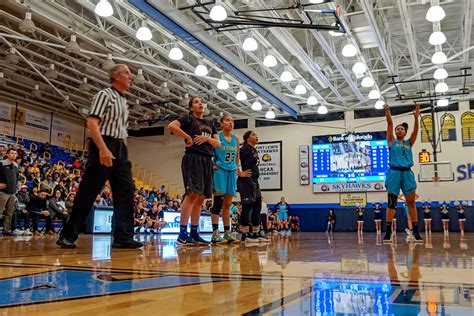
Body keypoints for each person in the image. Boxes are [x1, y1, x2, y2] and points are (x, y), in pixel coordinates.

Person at [57, 64, 143, 249]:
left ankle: (123, 236)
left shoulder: (123, 100)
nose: (131, 76)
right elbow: (92, 122)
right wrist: (103, 148)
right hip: (104, 144)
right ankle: (67, 235)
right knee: (88, 191)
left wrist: (124, 153)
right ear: (116, 76)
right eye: (127, 73)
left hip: (120, 147)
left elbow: (121, 130)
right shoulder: (105, 94)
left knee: (126, 193)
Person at [167, 96, 220, 246]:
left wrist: (207, 140)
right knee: (191, 195)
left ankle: (194, 233)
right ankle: (182, 234)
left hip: (207, 160)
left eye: (202, 101)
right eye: (197, 102)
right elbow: (171, 126)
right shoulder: (188, 119)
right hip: (193, 157)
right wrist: (187, 136)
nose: (200, 103)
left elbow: (217, 143)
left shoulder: (210, 123)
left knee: (201, 197)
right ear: (191, 107)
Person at [383, 104, 422, 243]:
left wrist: (416, 118)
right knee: (392, 203)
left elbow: (416, 131)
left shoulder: (409, 143)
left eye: (402, 129)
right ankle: (388, 232)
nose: (399, 130)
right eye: (397, 129)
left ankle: (416, 231)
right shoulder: (391, 141)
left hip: (407, 173)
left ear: (405, 132)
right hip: (394, 173)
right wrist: (388, 112)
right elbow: (389, 123)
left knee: (411, 202)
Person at [209, 115, 240, 244]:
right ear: (221, 124)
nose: (230, 122)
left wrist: (237, 168)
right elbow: (209, 151)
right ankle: (215, 232)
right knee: (218, 202)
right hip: (220, 170)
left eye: (232, 120)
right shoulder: (217, 137)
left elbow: (237, 156)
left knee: (227, 204)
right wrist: (212, 165)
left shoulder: (236, 139)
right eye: (227, 120)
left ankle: (227, 232)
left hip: (231, 171)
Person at [237, 131, 267, 243]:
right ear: (248, 138)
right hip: (246, 181)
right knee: (247, 207)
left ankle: (256, 232)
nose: (257, 136)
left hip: (254, 180)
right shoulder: (243, 149)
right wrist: (239, 172)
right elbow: (234, 159)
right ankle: (245, 234)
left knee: (257, 206)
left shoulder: (253, 150)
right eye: (254, 135)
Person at [0, 148, 19, 236]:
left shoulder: (16, 165)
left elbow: (17, 178)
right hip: (3, 192)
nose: (14, 155)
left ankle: (7, 230)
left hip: (12, 193)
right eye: (12, 153)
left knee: (9, 213)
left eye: (15, 153)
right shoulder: (2, 163)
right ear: (7, 154)